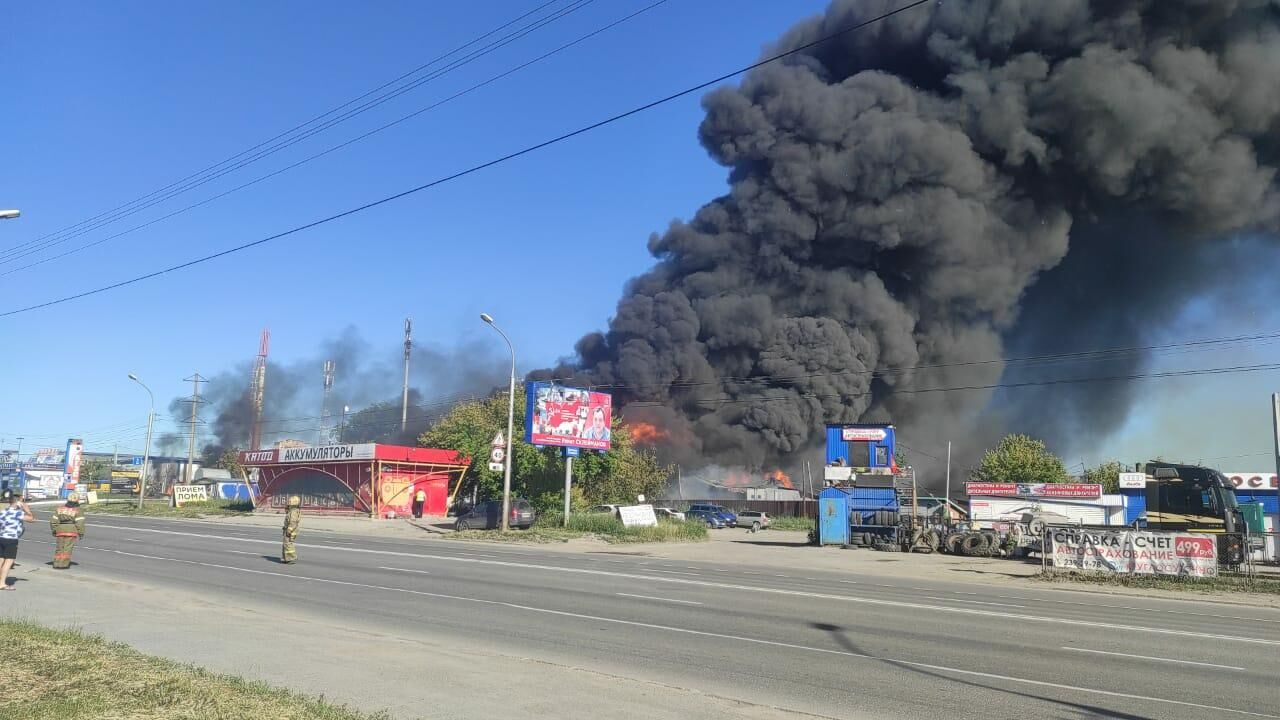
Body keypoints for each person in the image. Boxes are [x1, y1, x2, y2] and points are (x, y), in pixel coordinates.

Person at [0, 490, 34, 590]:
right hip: (11, 539)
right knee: (8, 561)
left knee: (1, 559)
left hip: (1, 537)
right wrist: (27, 509)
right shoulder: (17, 513)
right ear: (16, 502)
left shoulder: (3, 511)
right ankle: (2, 583)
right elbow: (32, 519)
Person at [50, 493, 86, 570]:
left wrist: (54, 530)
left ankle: (56, 563)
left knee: (59, 548)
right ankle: (64, 564)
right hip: (71, 530)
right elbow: (80, 523)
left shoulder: (59, 509)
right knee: (67, 548)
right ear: (77, 500)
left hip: (60, 530)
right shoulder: (78, 510)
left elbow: (53, 520)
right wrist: (81, 533)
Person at [281, 495, 302, 564]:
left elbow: (293, 521)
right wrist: (287, 508)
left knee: (288, 544)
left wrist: (289, 530)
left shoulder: (294, 511)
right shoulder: (292, 510)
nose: (288, 502)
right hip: (289, 529)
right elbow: (287, 514)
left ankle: (291, 558)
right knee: (286, 543)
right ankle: (286, 558)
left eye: (289, 501)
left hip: (290, 530)